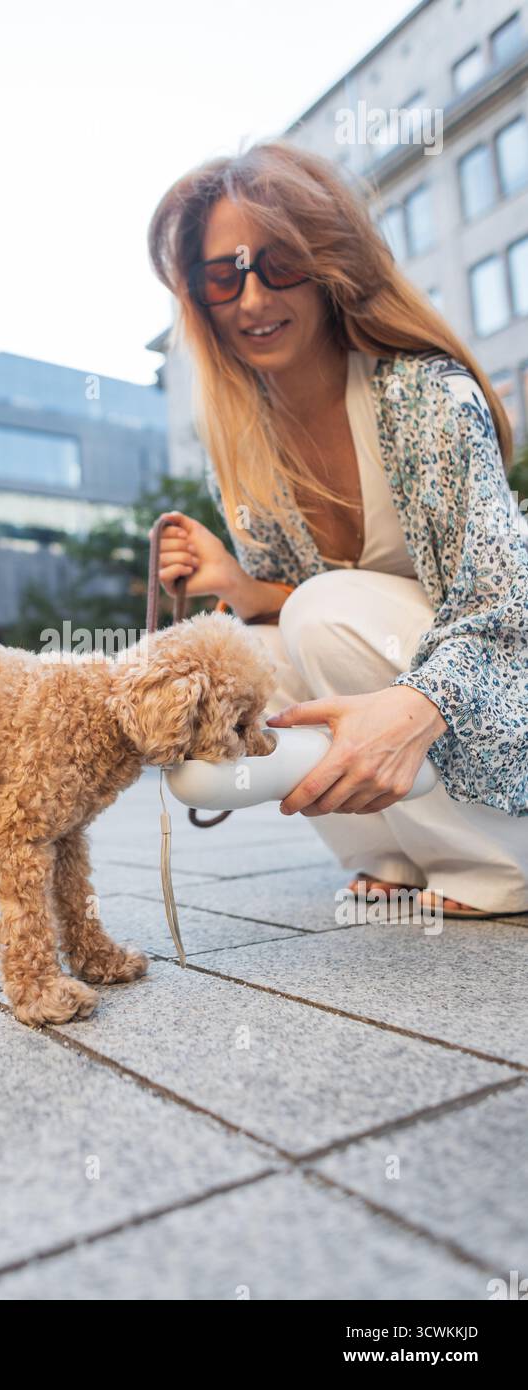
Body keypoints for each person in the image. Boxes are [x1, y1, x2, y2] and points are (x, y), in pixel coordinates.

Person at [148, 141, 528, 918]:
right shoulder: (245, 444)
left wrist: (417, 704)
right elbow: (301, 616)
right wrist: (235, 586)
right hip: (392, 651)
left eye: (278, 262)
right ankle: (385, 850)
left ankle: (497, 860)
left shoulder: (423, 393)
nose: (251, 299)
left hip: (498, 680)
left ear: (328, 266)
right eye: (223, 275)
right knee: (246, 654)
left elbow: (502, 607)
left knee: (320, 612)